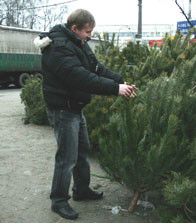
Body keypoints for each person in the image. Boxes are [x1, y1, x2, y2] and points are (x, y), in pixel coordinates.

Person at [34, 9, 138, 220]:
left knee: (82, 151)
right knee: (67, 157)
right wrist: (115, 89)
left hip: (75, 106)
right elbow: (82, 78)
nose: (90, 35)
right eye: (88, 32)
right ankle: (59, 201)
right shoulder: (59, 48)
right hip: (63, 109)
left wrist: (119, 80)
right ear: (75, 29)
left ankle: (81, 190)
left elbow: (95, 67)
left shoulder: (78, 42)